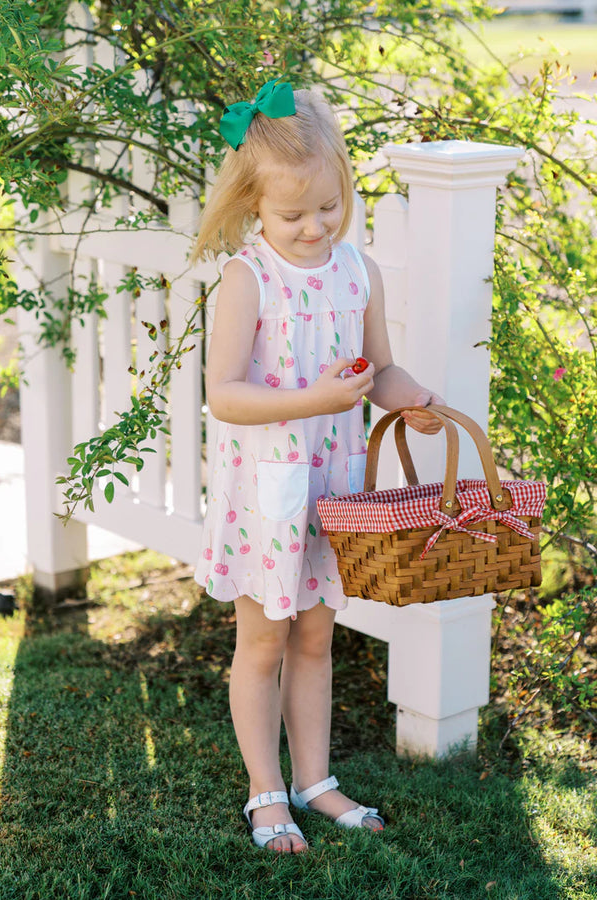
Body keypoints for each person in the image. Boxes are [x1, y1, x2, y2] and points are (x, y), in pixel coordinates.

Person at [192, 78, 443, 854]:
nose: (313, 228)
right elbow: (226, 397)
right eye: (291, 214)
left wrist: (410, 399)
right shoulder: (248, 278)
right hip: (267, 495)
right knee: (263, 641)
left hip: (330, 488)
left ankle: (316, 781)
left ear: (344, 186)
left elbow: (380, 368)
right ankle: (266, 794)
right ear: (252, 206)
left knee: (314, 639)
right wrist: (310, 399)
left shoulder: (355, 271)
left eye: (328, 208)